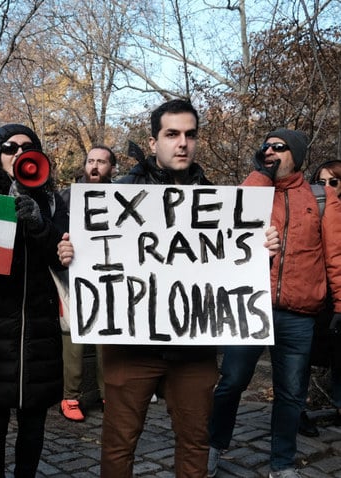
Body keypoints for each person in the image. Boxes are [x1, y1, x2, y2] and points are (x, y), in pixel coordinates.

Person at [57, 99, 281, 478]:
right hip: (129, 348)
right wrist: (70, 252)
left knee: (195, 442)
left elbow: (232, 270)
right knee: (118, 444)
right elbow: (90, 254)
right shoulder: (117, 195)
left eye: (190, 135)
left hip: (193, 350)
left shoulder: (218, 200)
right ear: (153, 140)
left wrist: (264, 251)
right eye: (172, 134)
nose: (182, 143)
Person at [207, 129, 341, 478]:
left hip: (299, 314)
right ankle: (213, 446)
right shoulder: (255, 189)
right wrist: (260, 175)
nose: (269, 150)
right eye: (265, 146)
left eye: (278, 147)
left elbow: (335, 257)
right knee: (231, 381)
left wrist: (340, 304)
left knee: (291, 393)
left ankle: (281, 463)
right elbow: (233, 220)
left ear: (295, 154)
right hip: (251, 306)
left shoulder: (321, 198)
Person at [0, 123, 65, 478]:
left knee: (33, 423)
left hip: (39, 328)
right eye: (9, 148)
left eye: (27, 147)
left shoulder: (54, 203)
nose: (19, 153)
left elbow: (65, 255)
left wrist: (40, 225)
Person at [57, 146, 115, 421]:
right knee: (73, 338)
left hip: (108, 277)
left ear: (111, 168)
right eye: (91, 161)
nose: (95, 166)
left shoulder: (120, 198)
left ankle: (108, 395)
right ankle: (70, 397)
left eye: (101, 162)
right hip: (72, 278)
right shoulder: (66, 197)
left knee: (106, 337)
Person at [297, 160, 341, 434]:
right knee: (301, 355)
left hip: (336, 293)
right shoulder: (308, 207)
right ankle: (296, 410)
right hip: (310, 291)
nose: (325, 187)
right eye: (320, 181)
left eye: (332, 182)